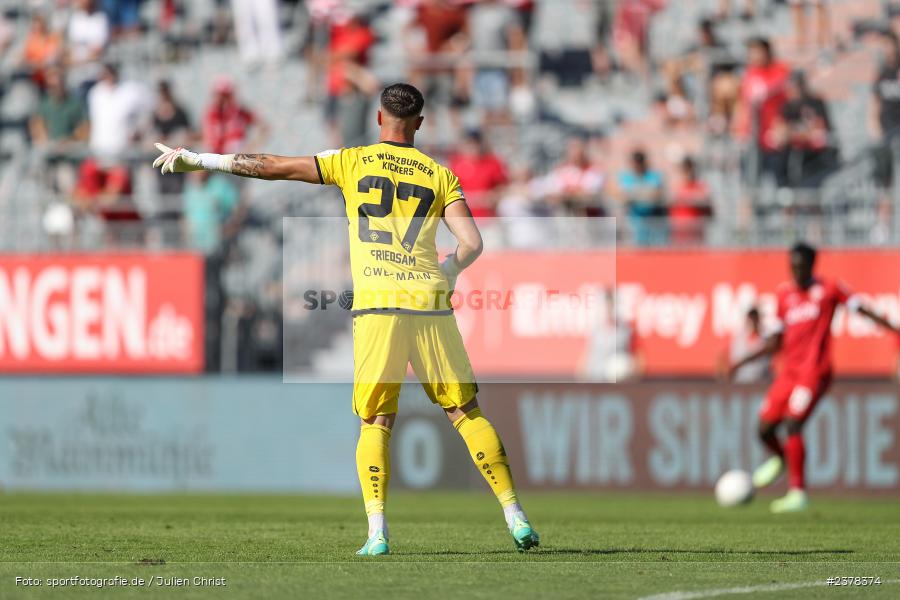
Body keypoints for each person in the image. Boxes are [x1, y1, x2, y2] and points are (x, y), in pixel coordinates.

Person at [153, 82, 539, 555]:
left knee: (376, 419)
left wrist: (201, 160)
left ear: (379, 119)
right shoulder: (440, 175)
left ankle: (377, 532)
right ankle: (515, 515)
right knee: (464, 412)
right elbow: (473, 243)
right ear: (419, 123)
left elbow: (274, 167)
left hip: (378, 304)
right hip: (429, 301)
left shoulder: (353, 160)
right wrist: (450, 270)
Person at [727, 242, 899, 513]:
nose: (795, 270)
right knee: (764, 429)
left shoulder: (829, 288)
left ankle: (798, 492)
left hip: (814, 372)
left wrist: (894, 328)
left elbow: (861, 309)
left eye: (800, 265)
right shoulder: (784, 296)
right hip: (789, 373)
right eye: (791, 265)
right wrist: (742, 361)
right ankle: (782, 459)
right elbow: (776, 341)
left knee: (793, 424)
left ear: (811, 264)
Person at [734, 37, 791, 186]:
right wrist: (740, 130)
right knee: (749, 182)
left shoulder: (780, 70)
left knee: (781, 183)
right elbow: (743, 104)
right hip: (753, 137)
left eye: (756, 51)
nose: (752, 56)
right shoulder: (749, 74)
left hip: (773, 137)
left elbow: (788, 101)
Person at [719, 307, 770, 383]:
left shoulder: (766, 337)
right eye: (750, 320)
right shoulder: (739, 338)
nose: (752, 323)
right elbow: (728, 358)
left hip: (760, 380)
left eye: (755, 319)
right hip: (741, 381)